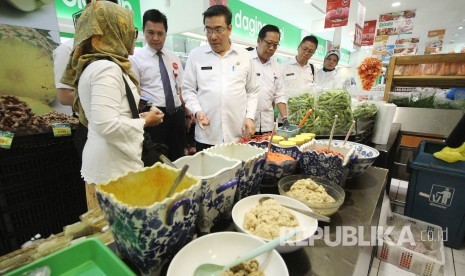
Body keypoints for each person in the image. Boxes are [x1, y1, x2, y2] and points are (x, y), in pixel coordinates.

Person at [60, 0, 163, 209]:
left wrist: (137, 118)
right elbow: (106, 125)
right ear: (114, 31)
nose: (134, 37)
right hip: (113, 171)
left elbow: (106, 117)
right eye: (131, 30)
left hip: (112, 165)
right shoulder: (106, 69)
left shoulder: (101, 65)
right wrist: (145, 122)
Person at [182, 5, 259, 151]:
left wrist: (250, 117)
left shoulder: (244, 56)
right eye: (208, 30)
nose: (213, 36)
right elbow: (188, 90)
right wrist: (197, 111)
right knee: (209, 172)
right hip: (207, 134)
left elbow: (253, 90)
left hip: (238, 134)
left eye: (218, 30)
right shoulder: (196, 55)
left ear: (229, 28)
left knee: (238, 172)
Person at [52, 0, 118, 158]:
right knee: (96, 179)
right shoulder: (68, 49)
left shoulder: (114, 51)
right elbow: (64, 95)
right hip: (90, 126)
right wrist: (104, 99)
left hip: (117, 125)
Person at [130, 9, 189, 161]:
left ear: (166, 33)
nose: (155, 38)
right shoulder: (135, 59)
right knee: (156, 159)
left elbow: (181, 88)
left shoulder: (173, 57)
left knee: (178, 158)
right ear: (143, 31)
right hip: (154, 115)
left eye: (160, 33)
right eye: (150, 32)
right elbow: (134, 92)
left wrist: (187, 114)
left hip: (176, 114)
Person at [251, 24, 288, 133]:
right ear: (259, 41)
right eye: (269, 43)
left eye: (275, 45)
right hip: (247, 123)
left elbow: (279, 94)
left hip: (268, 125)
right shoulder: (246, 60)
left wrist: (285, 118)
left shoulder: (276, 65)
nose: (272, 48)